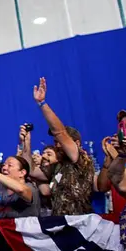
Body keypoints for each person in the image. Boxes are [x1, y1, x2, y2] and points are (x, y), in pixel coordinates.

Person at [32, 77, 94, 216]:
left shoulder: (79, 158)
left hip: (80, 224)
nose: (56, 144)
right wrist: (26, 140)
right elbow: (30, 170)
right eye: (55, 142)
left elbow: (59, 131)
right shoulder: (58, 165)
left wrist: (42, 103)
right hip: (60, 224)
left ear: (76, 143)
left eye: (60, 142)